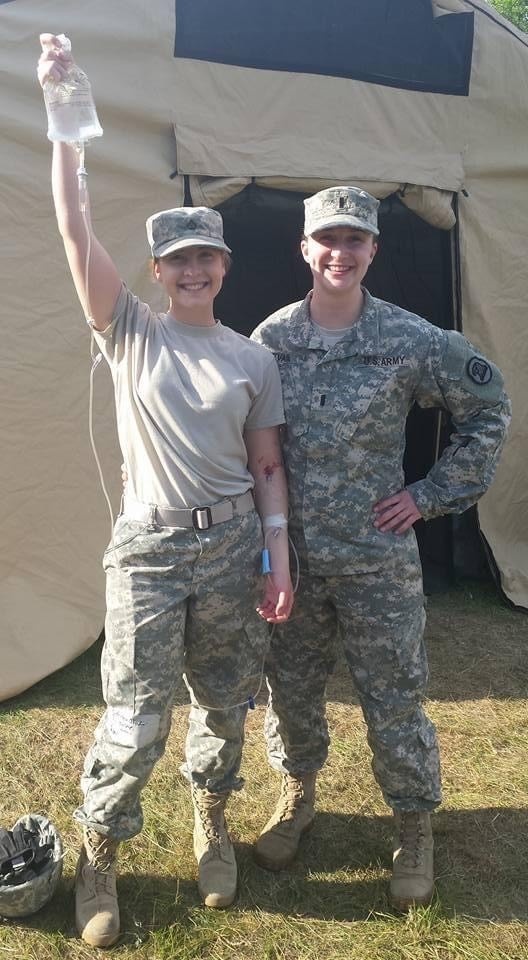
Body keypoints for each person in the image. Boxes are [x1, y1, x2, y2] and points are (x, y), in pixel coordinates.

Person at [38, 36, 293, 949]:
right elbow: (72, 225)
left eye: (206, 261)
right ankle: (100, 851)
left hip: (232, 548)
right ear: (157, 272)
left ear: (224, 268)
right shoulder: (129, 332)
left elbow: (268, 466)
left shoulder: (251, 356)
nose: (193, 272)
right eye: (177, 261)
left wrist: (277, 559)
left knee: (225, 704)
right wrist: (67, 118)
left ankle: (211, 823)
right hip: (149, 548)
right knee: (136, 713)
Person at [250, 185, 511, 909]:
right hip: (295, 562)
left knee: (394, 701)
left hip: (377, 564)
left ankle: (414, 826)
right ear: (305, 250)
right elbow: (251, 446)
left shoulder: (410, 340)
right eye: (328, 240)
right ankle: (297, 796)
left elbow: (489, 409)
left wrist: (428, 495)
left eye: (355, 240)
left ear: (374, 250)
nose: (341, 253)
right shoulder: (271, 341)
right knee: (291, 693)